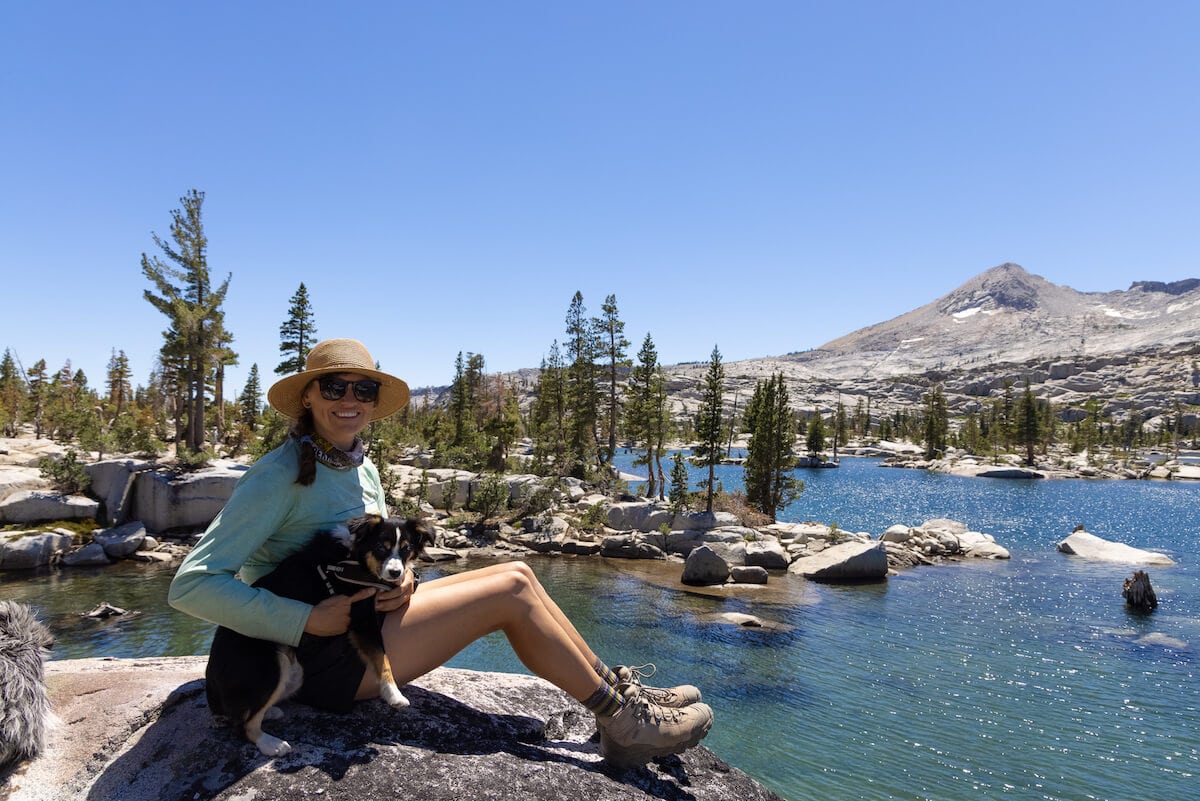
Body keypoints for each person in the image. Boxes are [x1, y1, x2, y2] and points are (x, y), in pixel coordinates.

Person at [168, 338, 713, 767]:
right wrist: (304, 620)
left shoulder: (362, 466)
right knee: (511, 592)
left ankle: (615, 689)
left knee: (518, 568)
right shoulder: (277, 475)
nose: (350, 401)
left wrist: (403, 581)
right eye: (334, 388)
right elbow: (191, 584)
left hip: (365, 626)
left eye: (364, 390)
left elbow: (380, 554)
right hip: (319, 662)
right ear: (308, 396)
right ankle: (623, 723)